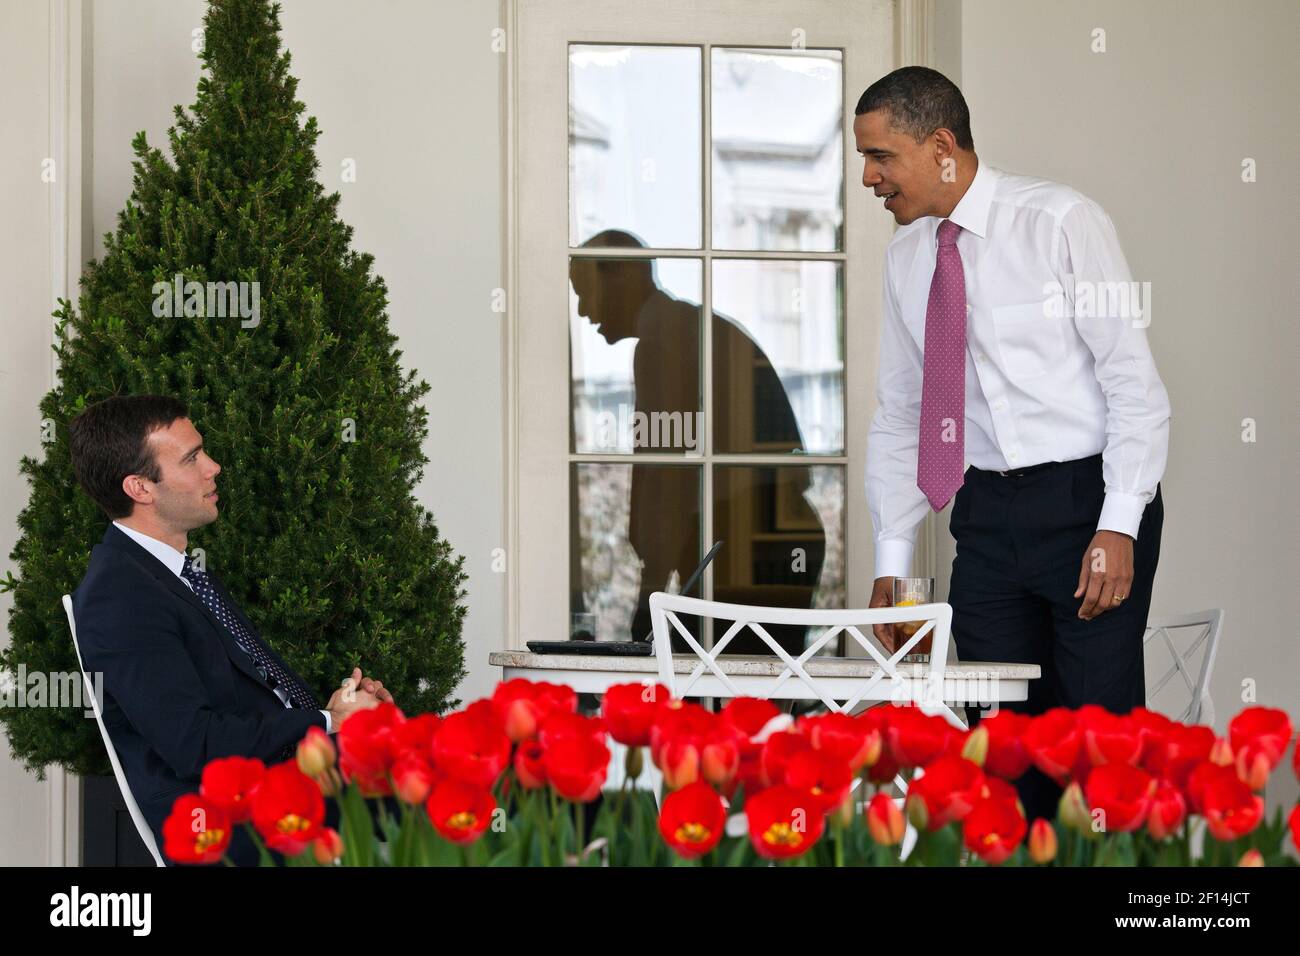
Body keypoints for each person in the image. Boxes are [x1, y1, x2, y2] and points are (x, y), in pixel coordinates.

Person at [854, 68, 1169, 822]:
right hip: (987, 516)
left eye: (881, 157)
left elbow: (1131, 380)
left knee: (1098, 749)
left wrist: (1119, 523)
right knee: (1000, 747)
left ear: (941, 147)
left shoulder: (1061, 222)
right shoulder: (906, 261)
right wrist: (894, 567)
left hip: (1086, 503)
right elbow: (903, 413)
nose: (868, 178)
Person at [69, 394, 394, 864]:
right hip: (233, 822)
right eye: (192, 457)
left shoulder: (176, 572)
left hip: (285, 781)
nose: (214, 466)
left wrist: (338, 713)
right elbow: (194, 744)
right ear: (141, 488)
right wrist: (328, 724)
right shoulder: (120, 595)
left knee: (461, 763)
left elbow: (246, 700)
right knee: (477, 787)